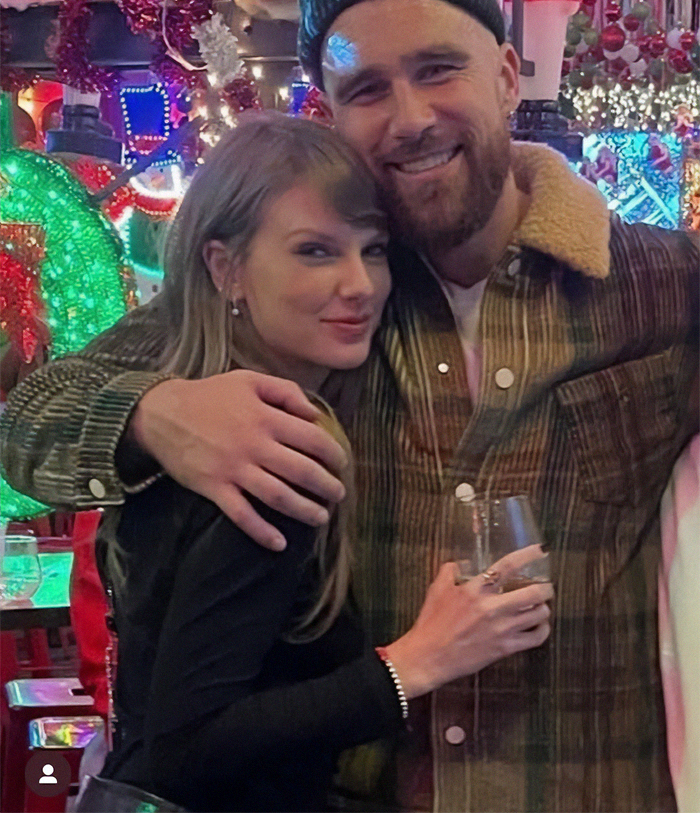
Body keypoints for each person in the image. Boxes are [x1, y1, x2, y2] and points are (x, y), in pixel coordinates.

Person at [1, 0, 700, 811]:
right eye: (367, 88)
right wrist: (154, 414)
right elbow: (27, 421)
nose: (410, 117)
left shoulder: (660, 284)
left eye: (438, 69)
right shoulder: (324, 292)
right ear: (332, 112)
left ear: (508, 78)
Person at [68, 113, 552, 813]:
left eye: (373, 250)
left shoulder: (216, 411)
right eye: (316, 251)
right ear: (226, 269)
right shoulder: (263, 452)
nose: (360, 284)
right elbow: (182, 748)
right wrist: (418, 661)